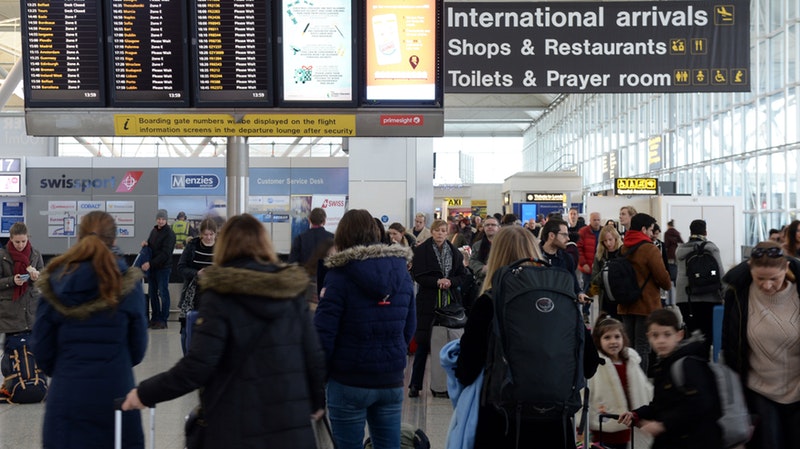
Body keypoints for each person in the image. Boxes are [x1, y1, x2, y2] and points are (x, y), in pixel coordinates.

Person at [121, 214, 326, 449]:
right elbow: (314, 356)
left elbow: (197, 366)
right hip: (291, 430)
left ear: (224, 245)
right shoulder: (293, 293)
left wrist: (145, 393)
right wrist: (316, 402)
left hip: (236, 427)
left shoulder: (220, 295)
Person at [455, 226, 600, 448]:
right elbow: (589, 364)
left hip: (502, 423)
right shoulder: (563, 299)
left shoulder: (489, 301)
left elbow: (466, 370)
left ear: (496, 257)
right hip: (555, 421)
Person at [33, 211, 148, 449]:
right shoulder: (127, 283)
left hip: (67, 397)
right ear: (114, 240)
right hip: (117, 395)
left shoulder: (55, 281)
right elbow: (137, 350)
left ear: (79, 238)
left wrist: (68, 366)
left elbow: (42, 352)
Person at [313, 209, 416, 449]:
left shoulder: (339, 277)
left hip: (348, 380)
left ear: (343, 237)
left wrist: (319, 377)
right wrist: (394, 355)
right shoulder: (401, 273)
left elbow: (324, 335)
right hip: (390, 380)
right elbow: (409, 326)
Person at [721, 241, 800, 449]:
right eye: (760, 279)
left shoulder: (797, 295)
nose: (767, 285)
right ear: (750, 270)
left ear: (786, 269)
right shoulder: (738, 295)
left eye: (774, 278)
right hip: (759, 391)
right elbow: (729, 344)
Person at [619, 309, 722, 449]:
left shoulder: (687, 364)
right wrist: (636, 414)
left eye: (667, 334)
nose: (661, 340)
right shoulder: (663, 365)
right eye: (655, 335)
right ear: (648, 337)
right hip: (676, 438)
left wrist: (662, 425)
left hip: (695, 440)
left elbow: (701, 404)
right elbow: (661, 405)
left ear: (679, 335)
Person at [409, 219, 470, 398]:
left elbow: (462, 275)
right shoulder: (421, 251)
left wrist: (450, 281)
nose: (440, 234)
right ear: (432, 232)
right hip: (428, 303)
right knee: (423, 343)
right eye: (437, 231)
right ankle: (415, 384)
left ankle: (446, 384)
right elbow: (418, 275)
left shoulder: (454, 253)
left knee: (450, 344)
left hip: (449, 303)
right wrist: (437, 282)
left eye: (444, 231)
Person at [585, 315, 653, 449]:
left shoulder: (631, 361)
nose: (613, 341)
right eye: (607, 337)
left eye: (617, 337)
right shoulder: (596, 364)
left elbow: (644, 388)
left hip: (629, 425)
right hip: (604, 424)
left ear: (623, 338)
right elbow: (586, 392)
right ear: (598, 341)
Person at [617, 213, 672, 373]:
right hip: (645, 305)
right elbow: (664, 280)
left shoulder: (623, 248)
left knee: (628, 346)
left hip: (626, 303)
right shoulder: (649, 249)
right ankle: (638, 384)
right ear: (643, 229)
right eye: (650, 229)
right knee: (642, 346)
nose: (651, 233)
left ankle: (627, 380)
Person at [675, 219, 725, 357]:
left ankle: (692, 361)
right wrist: (725, 294)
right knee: (708, 334)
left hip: (686, 298)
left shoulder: (680, 250)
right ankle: (704, 363)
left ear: (690, 232)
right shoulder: (711, 248)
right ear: (705, 232)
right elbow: (720, 273)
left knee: (692, 333)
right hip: (709, 297)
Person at [0, 222, 44, 350]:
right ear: (11, 239)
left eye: (23, 241)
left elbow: (43, 279)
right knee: (12, 350)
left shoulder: (35, 254)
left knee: (32, 351)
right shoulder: (2, 256)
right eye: (17, 242)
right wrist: (12, 280)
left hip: (31, 309)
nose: (20, 245)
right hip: (10, 311)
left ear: (28, 237)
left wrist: (37, 276)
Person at [176, 218, 217, 354]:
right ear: (200, 234)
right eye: (205, 234)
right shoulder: (192, 246)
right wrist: (196, 273)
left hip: (213, 294)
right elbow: (181, 267)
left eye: (211, 234)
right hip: (192, 294)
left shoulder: (221, 247)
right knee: (185, 331)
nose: (208, 237)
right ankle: (186, 356)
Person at [539, 218, 590, 303]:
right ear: (551, 235)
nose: (568, 239)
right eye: (564, 235)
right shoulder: (534, 257)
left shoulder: (567, 259)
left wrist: (580, 294)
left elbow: (573, 282)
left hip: (561, 307)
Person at [141, 209, 176, 329]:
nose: (160, 221)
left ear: (166, 220)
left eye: (163, 219)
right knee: (152, 293)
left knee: (163, 293)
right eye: (159, 219)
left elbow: (165, 254)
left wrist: (150, 263)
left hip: (163, 268)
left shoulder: (170, 234)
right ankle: (155, 318)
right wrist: (146, 244)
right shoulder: (154, 231)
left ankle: (163, 319)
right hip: (153, 269)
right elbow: (152, 246)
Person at [589, 224, 624, 319]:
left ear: (616, 238)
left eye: (610, 240)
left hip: (621, 298)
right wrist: (606, 271)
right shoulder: (599, 256)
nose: (608, 243)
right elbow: (594, 279)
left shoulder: (623, 253)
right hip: (605, 298)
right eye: (605, 241)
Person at [469, 216, 499, 289]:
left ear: (499, 227)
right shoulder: (477, 245)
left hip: (501, 280)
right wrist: (482, 268)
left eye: (493, 225)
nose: (490, 227)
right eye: (487, 225)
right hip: (483, 281)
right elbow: (472, 260)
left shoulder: (506, 244)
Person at [578, 212, 602, 292]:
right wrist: (583, 263)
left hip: (600, 266)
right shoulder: (583, 232)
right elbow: (578, 249)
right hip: (587, 266)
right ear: (590, 220)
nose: (596, 222)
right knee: (587, 291)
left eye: (598, 220)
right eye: (594, 220)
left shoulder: (604, 231)